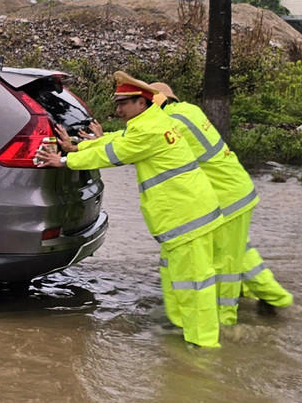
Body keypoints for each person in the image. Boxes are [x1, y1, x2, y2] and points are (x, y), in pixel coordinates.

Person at [35, 71, 224, 348]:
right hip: (187, 216)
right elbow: (120, 140)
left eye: (124, 103)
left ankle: (203, 347)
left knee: (195, 283)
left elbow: (113, 154)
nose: (118, 110)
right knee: (183, 280)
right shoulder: (153, 122)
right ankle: (188, 335)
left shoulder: (148, 130)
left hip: (187, 218)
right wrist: (78, 145)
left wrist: (63, 160)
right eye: (117, 103)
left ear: (142, 102)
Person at [147, 81, 293, 321]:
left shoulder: (171, 122)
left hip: (226, 198)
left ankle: (226, 320)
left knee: (227, 262)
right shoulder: (188, 111)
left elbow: (140, 142)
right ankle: (275, 297)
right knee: (239, 252)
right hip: (234, 191)